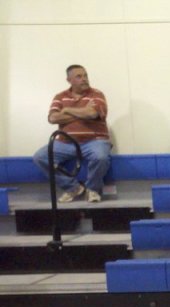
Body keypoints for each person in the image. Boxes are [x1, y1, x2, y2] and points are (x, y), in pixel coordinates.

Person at [32, 65, 111, 203]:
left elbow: (92, 113)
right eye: (79, 76)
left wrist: (67, 109)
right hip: (65, 142)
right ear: (69, 80)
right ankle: (73, 188)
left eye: (85, 75)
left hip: (94, 140)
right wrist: (82, 112)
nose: (84, 79)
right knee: (40, 157)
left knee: (101, 156)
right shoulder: (60, 96)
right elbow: (52, 118)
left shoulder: (97, 94)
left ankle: (92, 189)